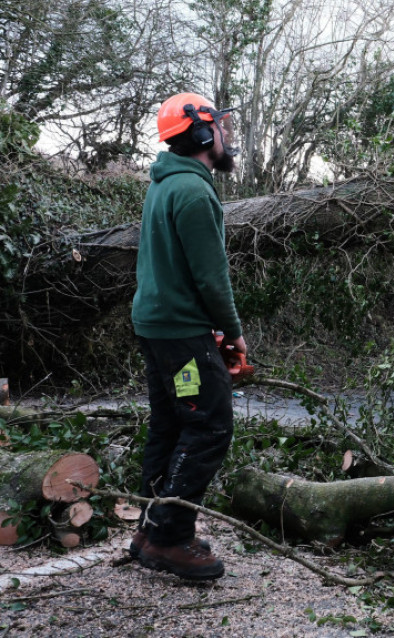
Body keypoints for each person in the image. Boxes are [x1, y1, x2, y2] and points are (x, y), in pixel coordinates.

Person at [129, 92, 246, 581]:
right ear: (202, 133)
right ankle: (169, 538)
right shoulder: (194, 192)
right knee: (209, 425)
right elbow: (211, 278)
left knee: (171, 425)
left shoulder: (165, 184)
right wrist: (234, 333)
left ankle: (150, 529)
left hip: (158, 327)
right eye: (219, 126)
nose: (225, 133)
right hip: (180, 334)